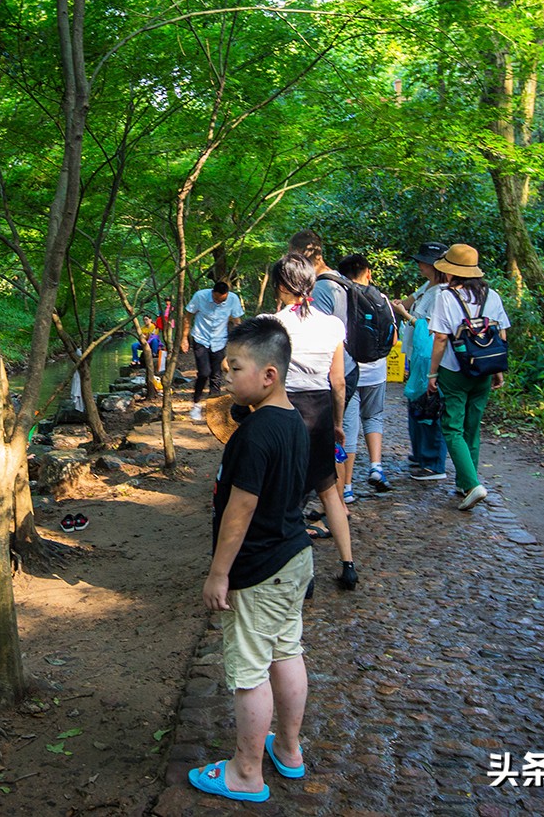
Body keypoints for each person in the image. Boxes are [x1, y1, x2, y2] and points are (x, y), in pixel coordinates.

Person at [189, 317, 313, 804]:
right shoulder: (292, 421)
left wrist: (219, 574)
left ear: (269, 375)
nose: (225, 375)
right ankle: (288, 748)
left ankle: (246, 771)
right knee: (286, 651)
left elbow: (239, 511)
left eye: (234, 367)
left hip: (260, 567)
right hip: (293, 555)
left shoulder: (256, 434)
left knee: (249, 670)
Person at [267, 254, 358, 590]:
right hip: (320, 411)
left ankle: (303, 577)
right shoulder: (332, 325)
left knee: (287, 496)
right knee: (329, 492)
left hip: (284, 411)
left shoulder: (271, 325)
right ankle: (348, 564)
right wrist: (337, 422)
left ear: (280, 285)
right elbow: (338, 381)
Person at [427, 244, 511, 511]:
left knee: (452, 429)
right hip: (484, 370)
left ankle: (473, 485)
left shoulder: (447, 297)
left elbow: (441, 338)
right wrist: (497, 369)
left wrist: (432, 372)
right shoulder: (492, 295)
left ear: (451, 271)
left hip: (455, 369)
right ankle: (466, 482)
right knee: (472, 427)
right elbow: (501, 335)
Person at [288, 231, 358, 505]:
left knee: (325, 445)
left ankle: (328, 506)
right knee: (331, 443)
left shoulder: (321, 288)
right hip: (348, 367)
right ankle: (338, 506)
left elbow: (321, 337)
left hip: (331, 374)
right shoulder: (341, 281)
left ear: (304, 253)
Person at [337, 254, 398, 498]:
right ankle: (376, 467)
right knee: (373, 417)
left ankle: (348, 488)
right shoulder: (381, 297)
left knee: (349, 427)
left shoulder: (341, 297)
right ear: (368, 272)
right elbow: (392, 339)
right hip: (377, 370)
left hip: (350, 371)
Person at [392, 242, 449, 481]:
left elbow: (433, 329)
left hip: (432, 357)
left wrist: (406, 316)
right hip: (418, 355)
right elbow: (407, 303)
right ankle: (420, 454)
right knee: (417, 403)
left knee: (431, 407)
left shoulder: (444, 293)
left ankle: (434, 462)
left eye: (423, 261)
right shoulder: (428, 287)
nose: (419, 265)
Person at [183, 280, 245, 421]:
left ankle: (213, 411)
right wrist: (184, 338)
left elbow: (237, 322)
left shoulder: (233, 299)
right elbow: (187, 316)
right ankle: (196, 404)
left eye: (222, 300)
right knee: (204, 372)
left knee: (216, 376)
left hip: (219, 340)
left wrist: (237, 342)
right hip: (200, 338)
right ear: (213, 292)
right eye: (216, 299)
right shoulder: (200, 296)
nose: (218, 302)